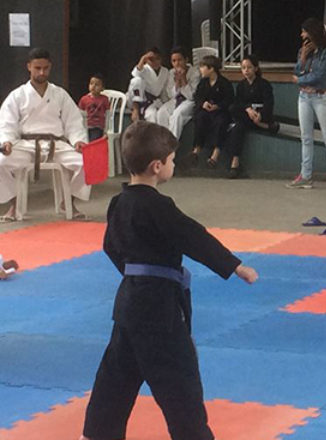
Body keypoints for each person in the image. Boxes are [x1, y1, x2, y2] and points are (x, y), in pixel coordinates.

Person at [79, 121, 258, 440]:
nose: (173, 164)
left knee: (116, 379)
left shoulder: (119, 202)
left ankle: (96, 434)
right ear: (157, 166)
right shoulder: (159, 206)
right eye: (172, 160)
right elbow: (193, 237)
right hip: (159, 310)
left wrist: (134, 273)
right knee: (179, 382)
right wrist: (234, 266)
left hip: (128, 304)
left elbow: (110, 246)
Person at [0, 48, 90, 222]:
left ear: (50, 67)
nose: (42, 72)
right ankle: (14, 203)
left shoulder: (60, 94)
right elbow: (6, 122)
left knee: (87, 162)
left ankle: (68, 202)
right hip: (26, 145)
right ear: (29, 67)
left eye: (45, 68)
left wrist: (78, 140)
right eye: (37, 68)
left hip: (56, 145)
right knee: (0, 161)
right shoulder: (17, 95)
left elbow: (73, 121)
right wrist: (7, 141)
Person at [287, 17, 326, 191]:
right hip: (304, 96)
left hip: (322, 96)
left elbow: (322, 75)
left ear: (313, 32)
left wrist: (300, 80)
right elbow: (297, 71)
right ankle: (305, 175)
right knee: (306, 137)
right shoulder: (304, 50)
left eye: (305, 32)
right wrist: (303, 58)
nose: (302, 35)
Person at [210, 55, 274, 179]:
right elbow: (238, 103)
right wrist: (248, 109)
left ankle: (235, 164)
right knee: (235, 117)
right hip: (246, 116)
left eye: (249, 67)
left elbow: (269, 104)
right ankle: (235, 163)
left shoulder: (264, 84)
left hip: (260, 115)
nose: (246, 70)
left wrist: (260, 115)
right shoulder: (241, 86)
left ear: (255, 68)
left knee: (239, 125)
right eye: (243, 68)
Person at [191, 55, 234, 168]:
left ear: (211, 69)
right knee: (200, 119)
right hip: (206, 111)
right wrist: (203, 104)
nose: (201, 70)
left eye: (203, 67)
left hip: (220, 111)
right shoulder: (203, 83)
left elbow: (229, 99)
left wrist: (218, 106)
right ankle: (196, 150)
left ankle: (215, 155)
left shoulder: (224, 83)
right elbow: (197, 97)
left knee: (221, 122)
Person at [155, 46, 201, 140]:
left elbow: (191, 96)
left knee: (177, 115)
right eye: (174, 61)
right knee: (161, 113)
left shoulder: (195, 72)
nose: (177, 63)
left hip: (189, 102)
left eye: (180, 60)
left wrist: (183, 79)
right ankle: (163, 143)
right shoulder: (171, 72)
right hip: (176, 100)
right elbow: (170, 95)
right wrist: (176, 83)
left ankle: (172, 144)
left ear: (186, 60)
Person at [127, 47, 170, 123]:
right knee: (137, 80)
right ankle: (136, 109)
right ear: (146, 61)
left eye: (157, 59)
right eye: (151, 59)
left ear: (161, 59)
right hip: (138, 100)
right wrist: (143, 59)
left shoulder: (165, 71)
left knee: (156, 115)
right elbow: (136, 73)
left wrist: (166, 103)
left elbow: (163, 90)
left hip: (154, 102)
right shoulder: (144, 69)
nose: (155, 62)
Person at [78, 73, 111, 141]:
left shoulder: (104, 99)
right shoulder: (84, 99)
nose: (93, 86)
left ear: (102, 88)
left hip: (98, 127)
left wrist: (106, 130)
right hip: (86, 126)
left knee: (94, 138)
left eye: (97, 85)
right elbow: (80, 114)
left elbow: (108, 115)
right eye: (91, 83)